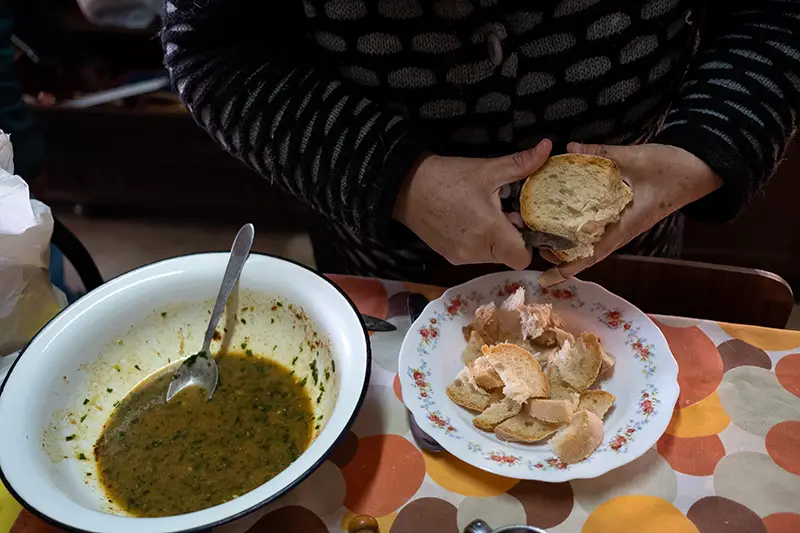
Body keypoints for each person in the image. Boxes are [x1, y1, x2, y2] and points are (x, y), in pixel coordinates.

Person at [161, 0, 800, 284]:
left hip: (636, 246)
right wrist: (397, 179)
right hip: (388, 266)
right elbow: (214, 53)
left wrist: (705, 148)